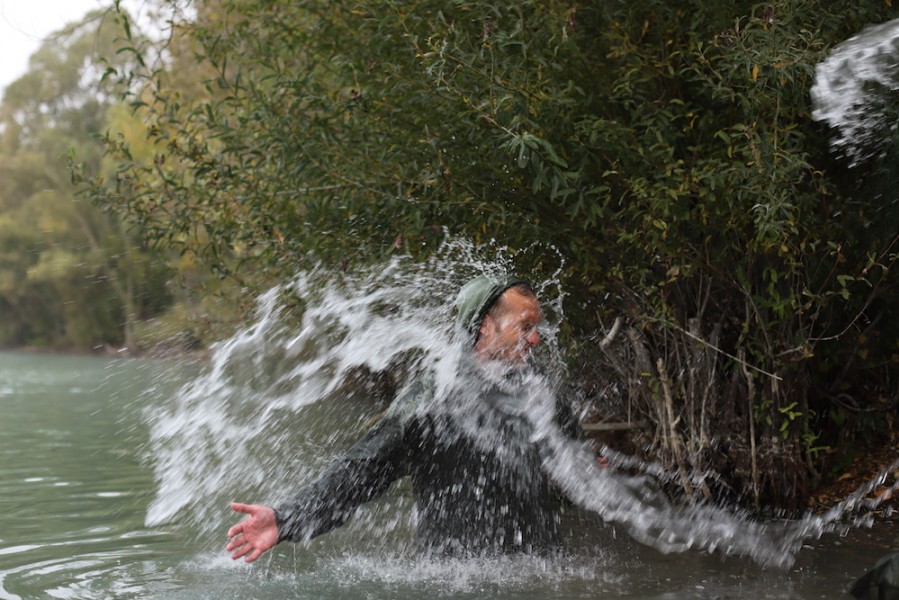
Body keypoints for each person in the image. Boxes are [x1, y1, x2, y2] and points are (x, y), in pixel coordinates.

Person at [226, 274, 582, 562]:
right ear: (486, 325)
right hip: (460, 579)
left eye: (536, 327)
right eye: (525, 326)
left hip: (543, 569)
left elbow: (572, 445)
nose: (535, 339)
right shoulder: (432, 395)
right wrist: (286, 518)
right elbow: (363, 468)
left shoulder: (535, 389)